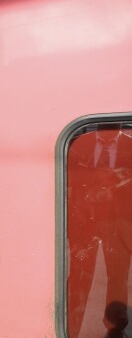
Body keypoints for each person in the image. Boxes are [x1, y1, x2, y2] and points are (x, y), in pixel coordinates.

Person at [67, 123, 132, 338]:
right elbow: (67, 179)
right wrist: (95, 179)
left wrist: (122, 180)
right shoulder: (78, 144)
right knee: (79, 275)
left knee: (119, 275)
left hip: (119, 223)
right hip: (84, 222)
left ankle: (116, 328)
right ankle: (71, 326)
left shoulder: (130, 146)